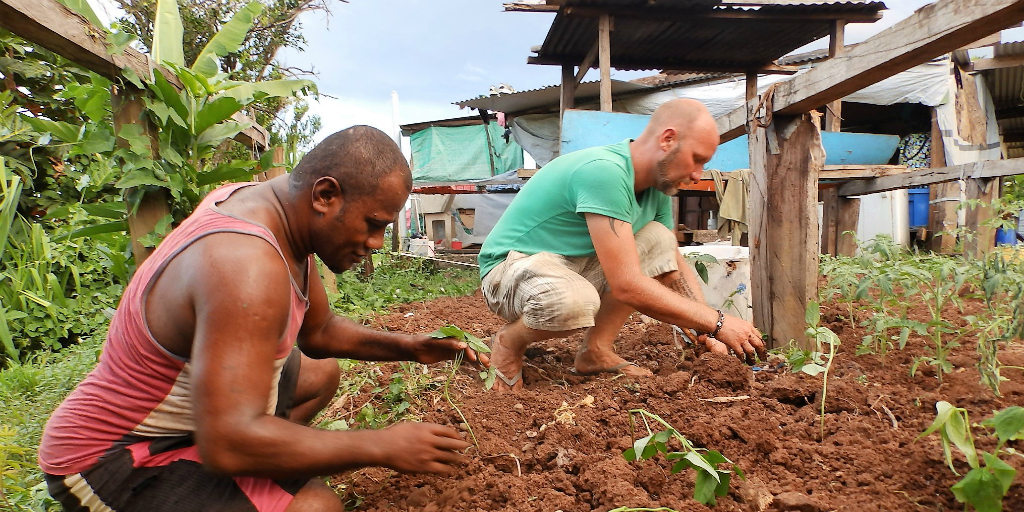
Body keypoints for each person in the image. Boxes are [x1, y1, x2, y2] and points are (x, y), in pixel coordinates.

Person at [38, 126, 487, 512]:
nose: (374, 242)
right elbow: (228, 443)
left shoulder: (275, 214)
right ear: (325, 195)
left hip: (191, 424)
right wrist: (381, 445)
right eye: (372, 223)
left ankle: (253, 476)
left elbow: (321, 333)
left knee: (317, 373)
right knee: (318, 506)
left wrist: (411, 348)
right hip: (109, 458)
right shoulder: (245, 266)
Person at [478, 99, 764, 392]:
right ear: (667, 140)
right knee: (575, 302)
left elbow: (671, 265)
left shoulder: (656, 192)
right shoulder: (605, 172)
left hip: (570, 267)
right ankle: (507, 343)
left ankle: (595, 351)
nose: (697, 174)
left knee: (660, 239)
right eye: (697, 159)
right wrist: (719, 322)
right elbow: (627, 284)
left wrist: (708, 330)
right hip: (509, 271)